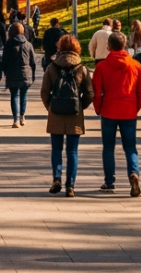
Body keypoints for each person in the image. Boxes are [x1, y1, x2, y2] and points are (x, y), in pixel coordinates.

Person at [92, 32, 141, 196]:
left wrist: (98, 108)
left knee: (108, 148)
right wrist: (135, 107)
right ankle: (134, 173)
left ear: (108, 46)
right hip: (128, 111)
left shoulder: (101, 67)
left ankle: (109, 182)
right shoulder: (135, 65)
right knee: (130, 147)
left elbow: (97, 92)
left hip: (109, 110)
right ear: (125, 46)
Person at [41, 34, 93, 197]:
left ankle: (57, 178)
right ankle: (70, 185)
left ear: (60, 48)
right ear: (76, 49)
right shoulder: (82, 68)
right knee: (72, 151)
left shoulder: (52, 67)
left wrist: (50, 107)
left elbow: (44, 92)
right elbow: (90, 93)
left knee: (56, 149)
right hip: (74, 114)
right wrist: (80, 106)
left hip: (56, 112)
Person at [0, 22, 37, 128]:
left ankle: (15, 119)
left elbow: (4, 61)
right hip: (26, 74)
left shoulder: (9, 44)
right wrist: (32, 74)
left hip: (12, 74)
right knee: (24, 95)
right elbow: (33, 61)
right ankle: (22, 117)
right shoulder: (28, 44)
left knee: (14, 95)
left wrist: (4, 72)